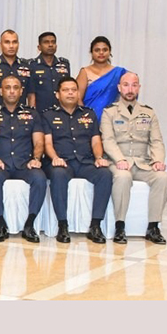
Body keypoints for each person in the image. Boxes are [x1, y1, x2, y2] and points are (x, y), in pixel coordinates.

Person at [100, 72, 167, 244]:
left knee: (163, 178)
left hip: (141, 162)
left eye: (134, 85)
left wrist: (158, 161)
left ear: (139, 87)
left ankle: (153, 227)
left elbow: (156, 140)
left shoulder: (148, 113)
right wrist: (119, 160)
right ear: (119, 87)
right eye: (126, 85)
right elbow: (107, 140)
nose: (130, 89)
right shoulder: (109, 112)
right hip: (118, 162)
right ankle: (120, 226)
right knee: (123, 177)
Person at [42, 77, 113, 243]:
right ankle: (63, 225)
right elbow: (47, 143)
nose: (70, 93)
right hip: (62, 162)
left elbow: (96, 140)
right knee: (58, 175)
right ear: (57, 94)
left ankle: (95, 225)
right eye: (66, 90)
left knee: (105, 174)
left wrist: (98, 158)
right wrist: (55, 158)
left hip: (85, 162)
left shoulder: (89, 114)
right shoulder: (48, 115)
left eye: (74, 90)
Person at [0, 75, 47, 243]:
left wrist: (36, 158)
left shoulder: (32, 114)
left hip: (24, 164)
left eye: (15, 87)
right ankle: (1, 224)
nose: (11, 91)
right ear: (0, 91)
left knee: (40, 178)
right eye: (7, 87)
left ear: (21, 91)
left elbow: (39, 141)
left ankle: (29, 224)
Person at [0, 30, 32, 114]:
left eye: (14, 42)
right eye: (7, 42)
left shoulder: (26, 66)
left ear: (18, 44)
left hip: (21, 116)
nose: (11, 46)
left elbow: (31, 95)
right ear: (0, 45)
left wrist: (31, 115)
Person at [76, 36, 126, 120]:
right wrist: (85, 117)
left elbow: (131, 91)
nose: (101, 53)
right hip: (89, 119)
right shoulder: (85, 72)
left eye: (105, 50)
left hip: (112, 119)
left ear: (110, 52)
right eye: (97, 50)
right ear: (91, 52)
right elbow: (77, 98)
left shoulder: (118, 72)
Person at [28, 32, 72, 113]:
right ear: (39, 47)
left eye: (53, 42)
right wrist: (33, 115)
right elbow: (31, 94)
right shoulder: (32, 65)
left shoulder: (64, 64)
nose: (50, 45)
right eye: (46, 42)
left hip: (62, 112)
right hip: (41, 113)